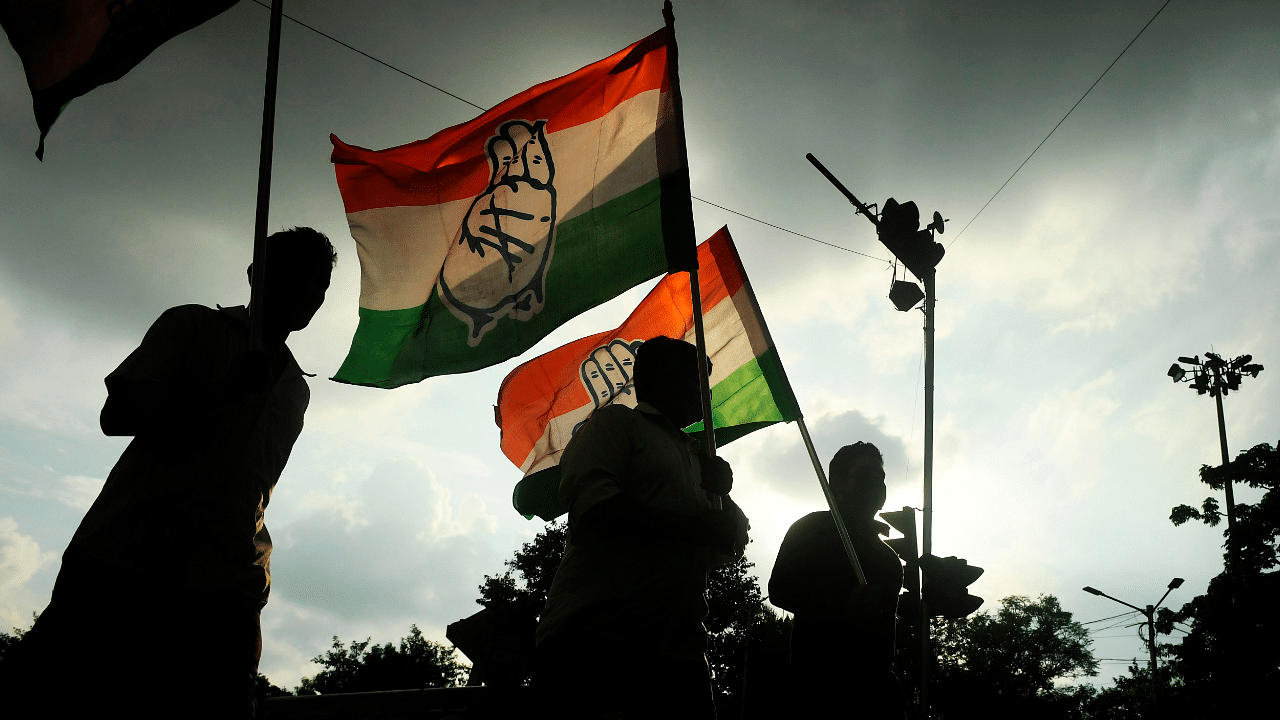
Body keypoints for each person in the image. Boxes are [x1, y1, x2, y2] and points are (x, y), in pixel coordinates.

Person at [9, 227, 336, 719]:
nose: (306, 296)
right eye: (295, 278)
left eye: (318, 287)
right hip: (123, 562)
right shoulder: (192, 328)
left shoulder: (295, 388)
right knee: (52, 705)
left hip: (227, 586)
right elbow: (116, 416)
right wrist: (220, 392)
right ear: (255, 275)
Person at [535, 335, 750, 719]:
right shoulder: (616, 423)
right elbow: (594, 509)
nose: (706, 394)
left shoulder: (698, 456)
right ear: (660, 377)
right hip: (598, 645)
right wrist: (693, 528)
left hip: (679, 653)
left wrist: (723, 495)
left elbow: (728, 545)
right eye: (696, 380)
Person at [768, 442, 906, 719]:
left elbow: (885, 637)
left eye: (881, 478)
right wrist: (842, 603)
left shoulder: (888, 558)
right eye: (866, 476)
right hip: (819, 692)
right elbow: (780, 590)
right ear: (837, 483)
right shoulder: (812, 528)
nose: (877, 486)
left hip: (875, 697)